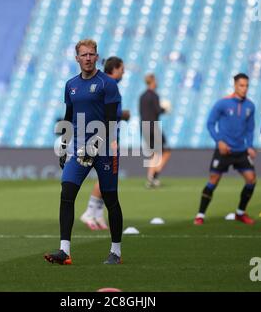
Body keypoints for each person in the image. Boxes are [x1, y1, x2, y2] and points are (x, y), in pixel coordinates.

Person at [44, 39, 123, 265]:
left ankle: (116, 252)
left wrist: (96, 144)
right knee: (66, 194)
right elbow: (69, 117)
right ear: (77, 58)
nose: (88, 58)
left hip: (104, 149)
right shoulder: (71, 85)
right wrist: (64, 144)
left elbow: (110, 121)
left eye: (91, 54)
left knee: (111, 200)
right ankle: (64, 252)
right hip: (78, 150)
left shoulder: (107, 84)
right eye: (83, 55)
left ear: (97, 57)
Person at [194, 73, 256, 225]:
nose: (244, 88)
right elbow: (210, 123)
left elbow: (250, 128)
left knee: (251, 179)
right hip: (224, 150)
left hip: (241, 151)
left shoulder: (250, 106)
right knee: (213, 180)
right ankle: (200, 215)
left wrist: (250, 146)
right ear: (235, 85)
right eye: (241, 85)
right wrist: (219, 141)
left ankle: (240, 213)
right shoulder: (222, 103)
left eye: (247, 85)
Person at [80, 56, 130, 231]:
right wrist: (122, 115)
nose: (123, 72)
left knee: (107, 178)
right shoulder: (108, 84)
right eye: (122, 69)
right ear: (115, 68)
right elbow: (105, 113)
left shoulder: (105, 84)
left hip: (106, 137)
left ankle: (98, 213)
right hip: (106, 139)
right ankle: (89, 211)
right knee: (106, 178)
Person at [139, 74, 171, 188]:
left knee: (154, 153)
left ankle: (151, 177)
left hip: (144, 126)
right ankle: (153, 176)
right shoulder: (154, 95)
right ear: (152, 81)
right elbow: (158, 110)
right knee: (164, 152)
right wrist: (165, 109)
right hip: (153, 126)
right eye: (156, 80)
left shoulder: (142, 96)